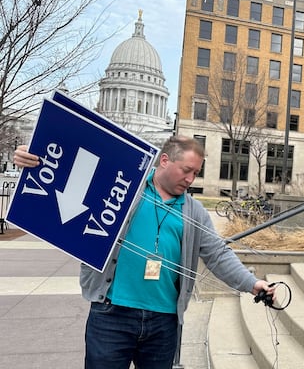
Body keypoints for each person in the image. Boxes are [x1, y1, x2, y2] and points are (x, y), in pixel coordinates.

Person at [14, 135, 273, 369]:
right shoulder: (124, 185)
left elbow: (217, 254)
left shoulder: (194, 212)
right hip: (111, 314)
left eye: (195, 173)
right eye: (186, 170)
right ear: (164, 160)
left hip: (163, 321)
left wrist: (252, 283)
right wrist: (34, 157)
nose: (191, 179)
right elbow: (73, 174)